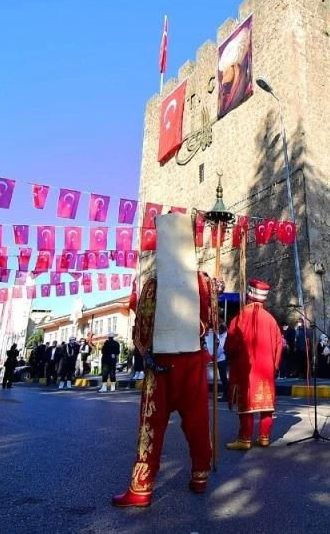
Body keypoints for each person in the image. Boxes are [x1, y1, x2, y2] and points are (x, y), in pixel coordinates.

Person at [112, 211, 213, 507]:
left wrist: (144, 351)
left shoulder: (154, 285)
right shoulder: (203, 282)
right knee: (197, 420)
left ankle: (141, 487)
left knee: (152, 424)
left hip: (161, 365)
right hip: (193, 360)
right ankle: (200, 475)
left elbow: (142, 328)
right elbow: (211, 320)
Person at [225, 279, 283, 450]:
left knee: (247, 402)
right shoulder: (271, 319)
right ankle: (264, 437)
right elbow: (280, 344)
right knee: (266, 404)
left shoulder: (241, 316)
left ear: (249, 295)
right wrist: (275, 365)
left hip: (246, 367)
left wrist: (229, 354)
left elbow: (232, 342)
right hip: (266, 369)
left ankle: (245, 439)